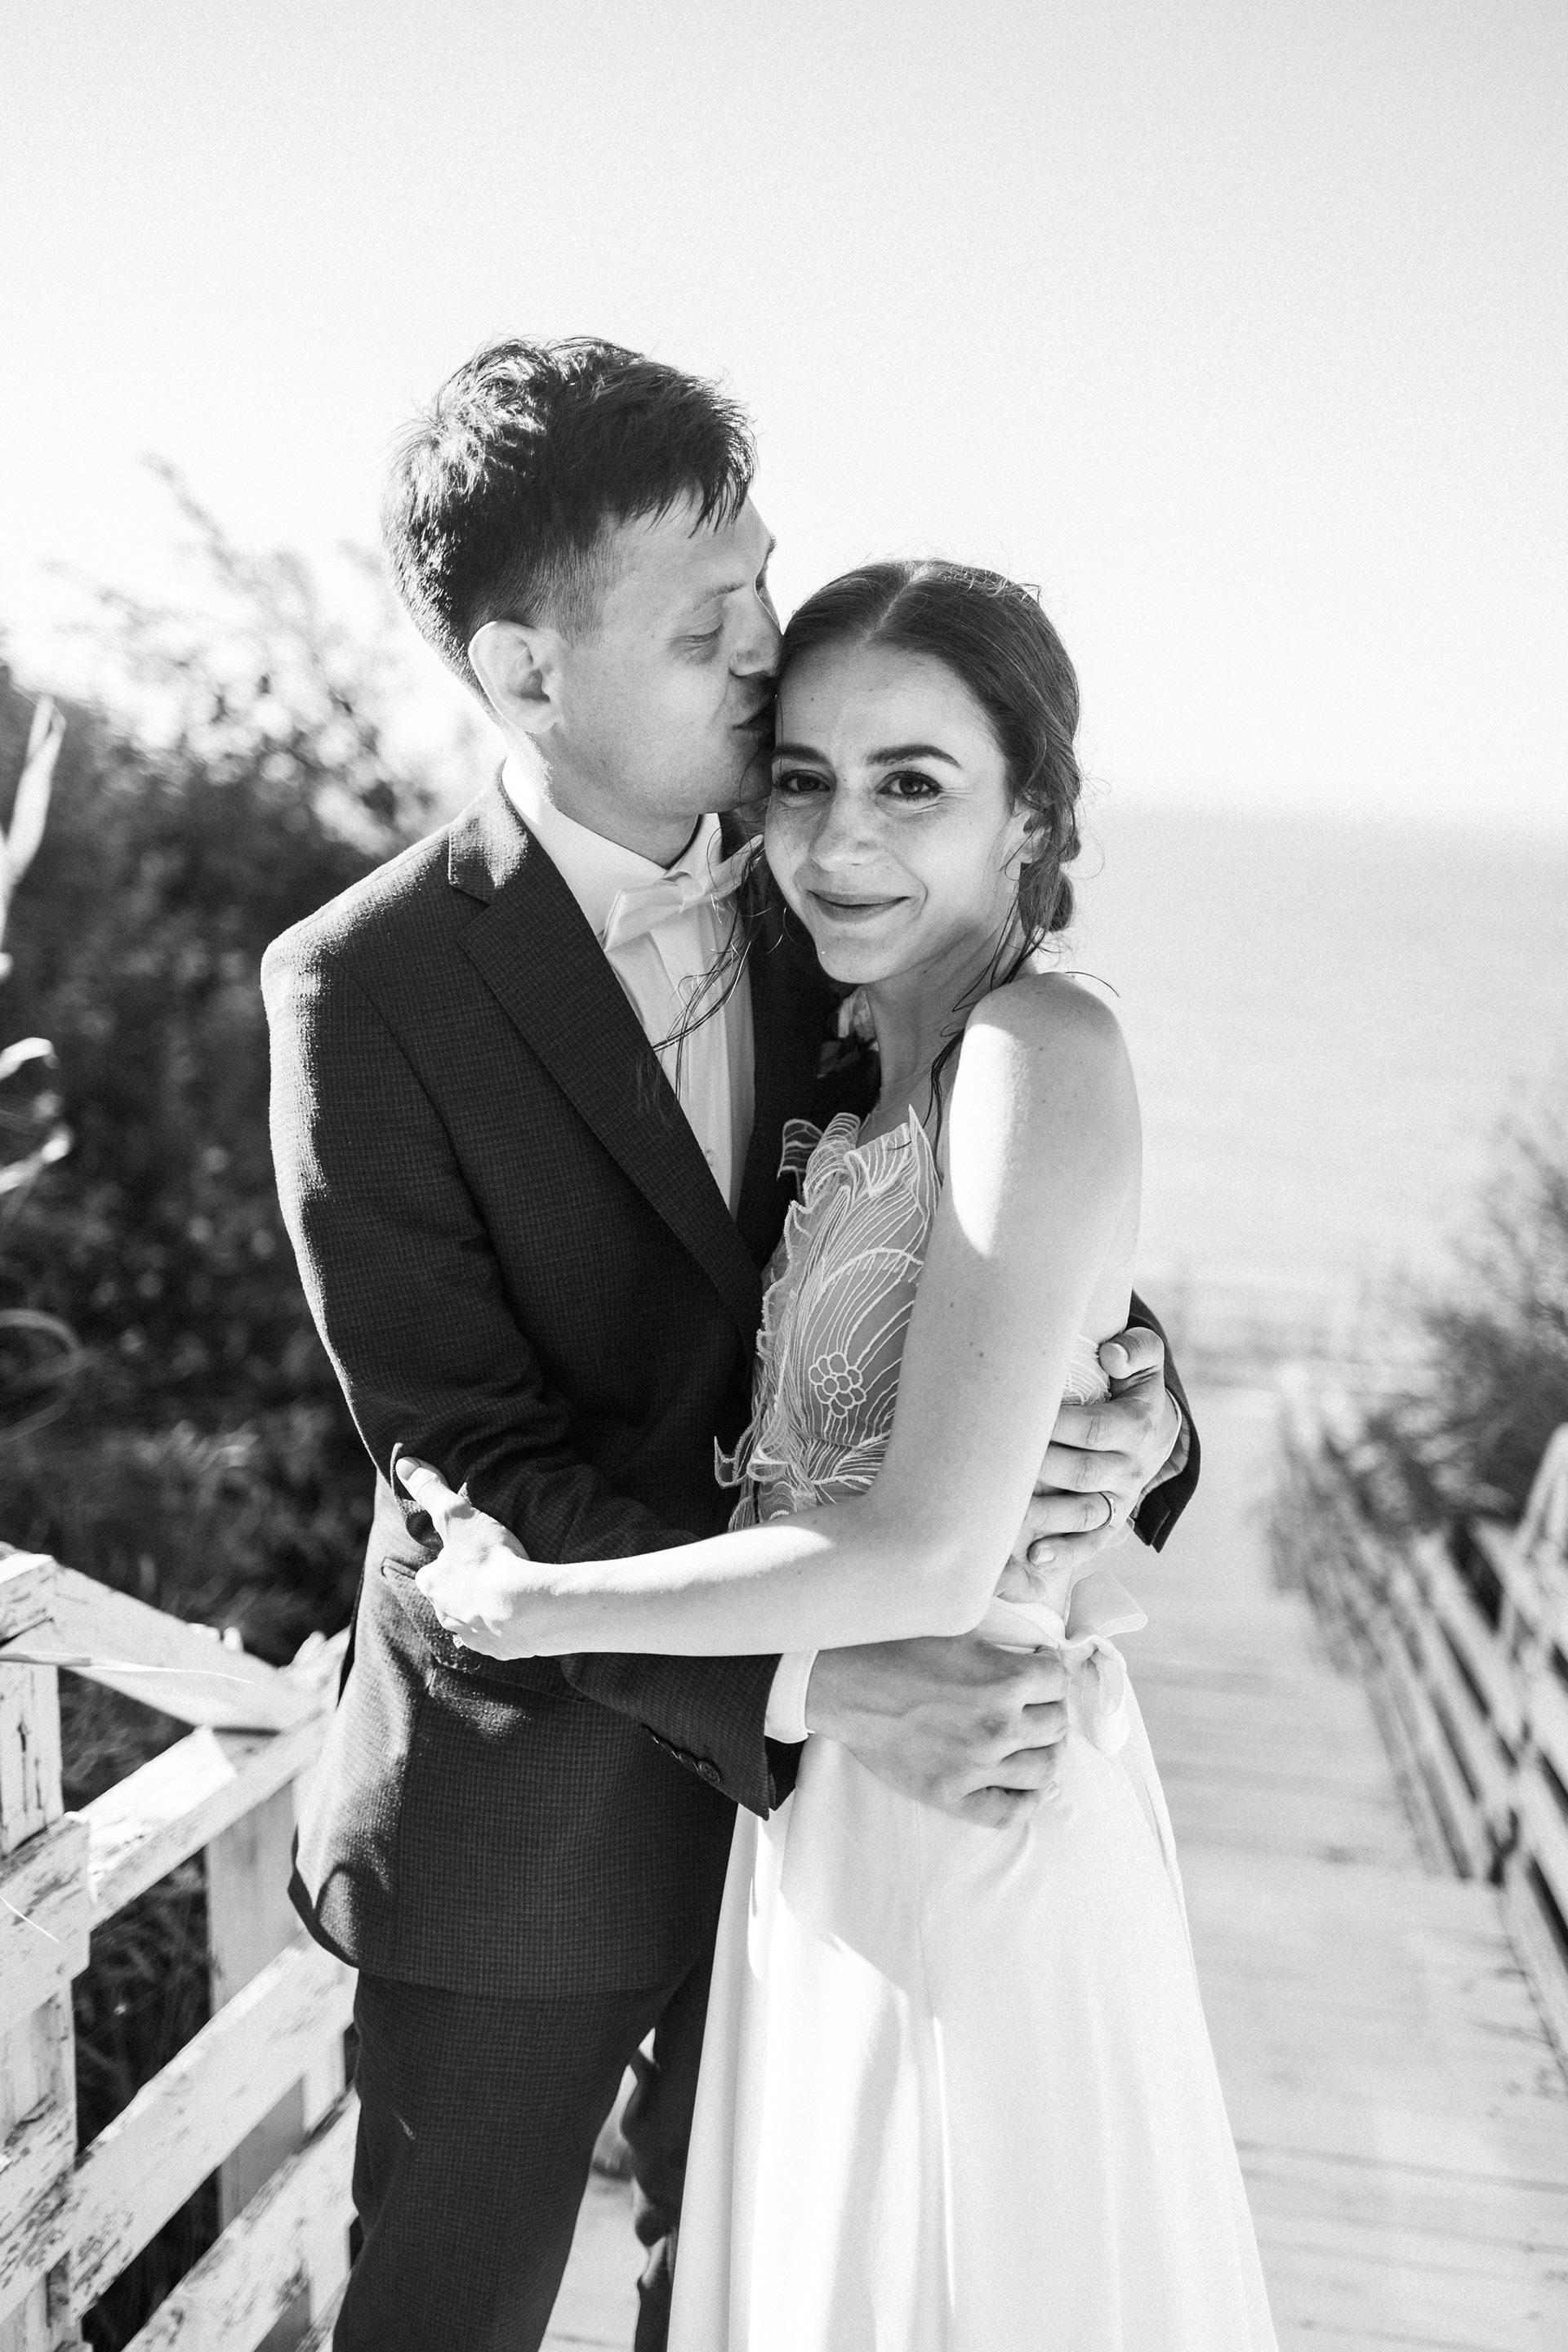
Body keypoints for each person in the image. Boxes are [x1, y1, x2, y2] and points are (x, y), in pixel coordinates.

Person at [263, 340, 1198, 2352]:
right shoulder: (366, 990)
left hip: (870, 1837)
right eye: (708, 628)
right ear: (528, 673)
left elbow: (997, 1248)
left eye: (763, 581)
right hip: (535, 1823)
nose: (772, 652)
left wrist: (1135, 1407)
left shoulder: (842, 894)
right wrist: (816, 1682)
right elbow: (469, 1465)